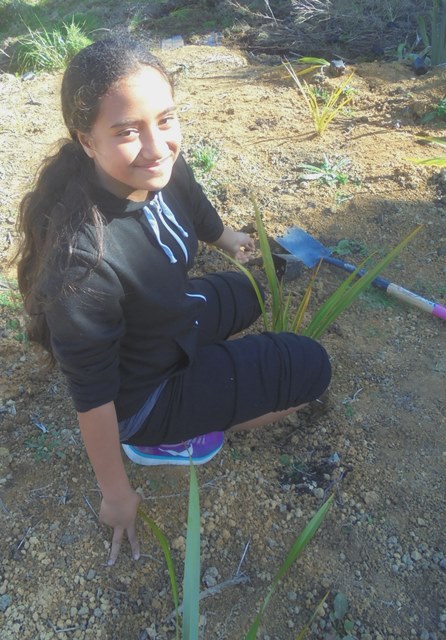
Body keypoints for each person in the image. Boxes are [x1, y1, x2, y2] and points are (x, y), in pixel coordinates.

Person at [16, 37, 331, 565]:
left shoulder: (161, 165)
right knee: (310, 368)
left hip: (172, 314)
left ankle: (210, 383)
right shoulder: (83, 263)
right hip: (143, 394)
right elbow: (92, 398)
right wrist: (116, 494)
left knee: (260, 286)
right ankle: (163, 438)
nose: (156, 145)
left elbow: (192, 203)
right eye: (126, 131)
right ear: (86, 140)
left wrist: (226, 238)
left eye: (165, 119)